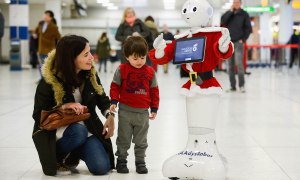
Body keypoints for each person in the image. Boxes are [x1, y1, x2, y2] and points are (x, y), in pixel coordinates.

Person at [32, 35, 115, 176]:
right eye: (86, 54)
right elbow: (37, 115)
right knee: (78, 132)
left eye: (90, 53)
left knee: (101, 167)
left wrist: (109, 115)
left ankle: (73, 153)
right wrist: (62, 106)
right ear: (71, 58)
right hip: (58, 132)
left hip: (86, 126)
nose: (92, 58)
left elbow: (102, 98)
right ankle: (59, 155)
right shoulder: (49, 81)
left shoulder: (90, 75)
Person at [110, 36, 159, 174]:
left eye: (142, 58)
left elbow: (154, 91)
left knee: (141, 140)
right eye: (135, 58)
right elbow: (115, 86)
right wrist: (114, 101)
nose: (139, 61)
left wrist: (154, 108)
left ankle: (140, 161)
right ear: (127, 56)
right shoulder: (122, 69)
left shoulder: (150, 72)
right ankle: (121, 160)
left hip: (143, 113)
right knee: (123, 138)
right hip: (125, 112)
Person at [221, 0, 252, 93]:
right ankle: (232, 86)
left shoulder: (244, 14)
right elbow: (223, 22)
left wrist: (243, 39)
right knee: (229, 66)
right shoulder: (228, 14)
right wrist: (230, 12)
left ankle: (241, 85)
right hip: (229, 43)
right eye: (234, 2)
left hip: (239, 43)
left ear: (240, 3)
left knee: (239, 65)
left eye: (237, 2)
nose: (236, 4)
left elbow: (248, 28)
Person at [35, 10, 61, 77]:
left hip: (49, 50)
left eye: (47, 15)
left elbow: (59, 37)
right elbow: (36, 31)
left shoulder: (54, 27)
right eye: (45, 15)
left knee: (48, 66)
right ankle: (43, 79)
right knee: (42, 66)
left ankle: (48, 79)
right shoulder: (41, 24)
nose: (45, 16)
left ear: (51, 17)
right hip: (41, 49)